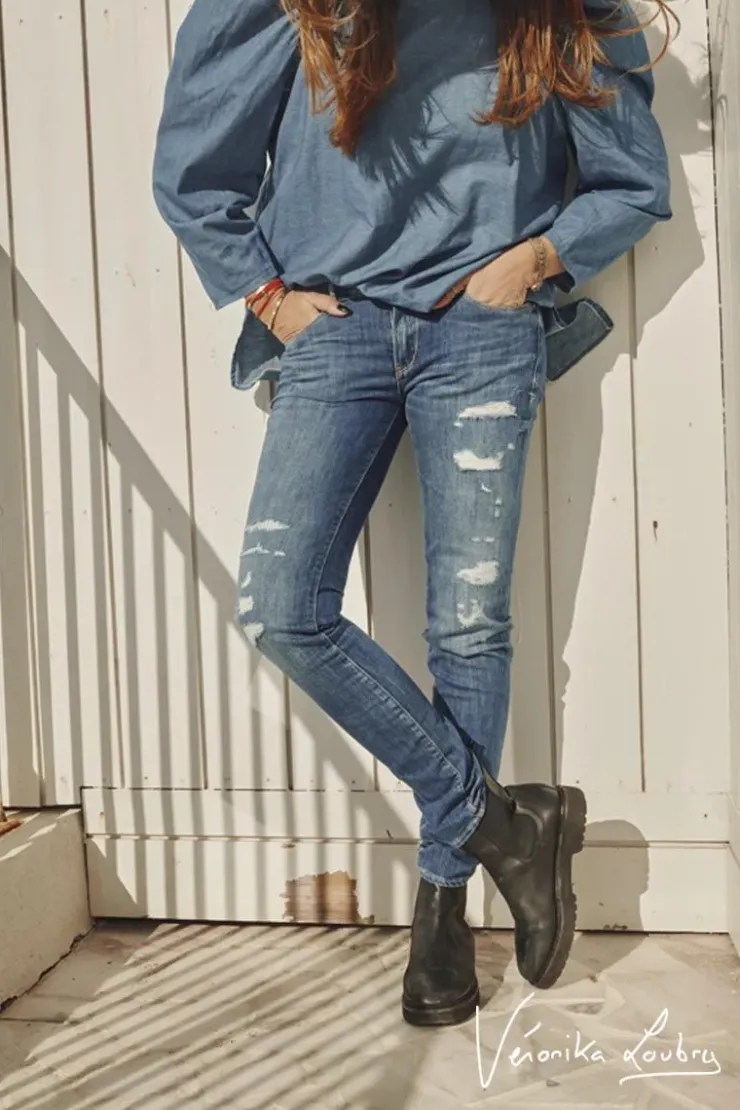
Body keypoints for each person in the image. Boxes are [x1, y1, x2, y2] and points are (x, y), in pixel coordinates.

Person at [153, 0, 673, 1026]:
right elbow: (193, 171)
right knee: (279, 609)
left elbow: (631, 180)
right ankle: (503, 824)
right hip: (333, 328)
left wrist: (535, 260)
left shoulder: (553, 11)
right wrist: (268, 299)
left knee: (468, 627)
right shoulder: (289, 7)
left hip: (479, 333)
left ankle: (444, 910)